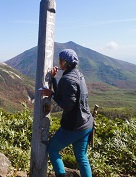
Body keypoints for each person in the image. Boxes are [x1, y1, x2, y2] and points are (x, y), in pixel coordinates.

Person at [40, 49, 94, 177]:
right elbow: (66, 95)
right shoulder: (78, 75)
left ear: (65, 62)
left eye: (60, 60)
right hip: (87, 123)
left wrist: (51, 94)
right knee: (81, 156)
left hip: (74, 126)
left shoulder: (67, 79)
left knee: (53, 149)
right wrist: (53, 80)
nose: (58, 62)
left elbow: (66, 105)